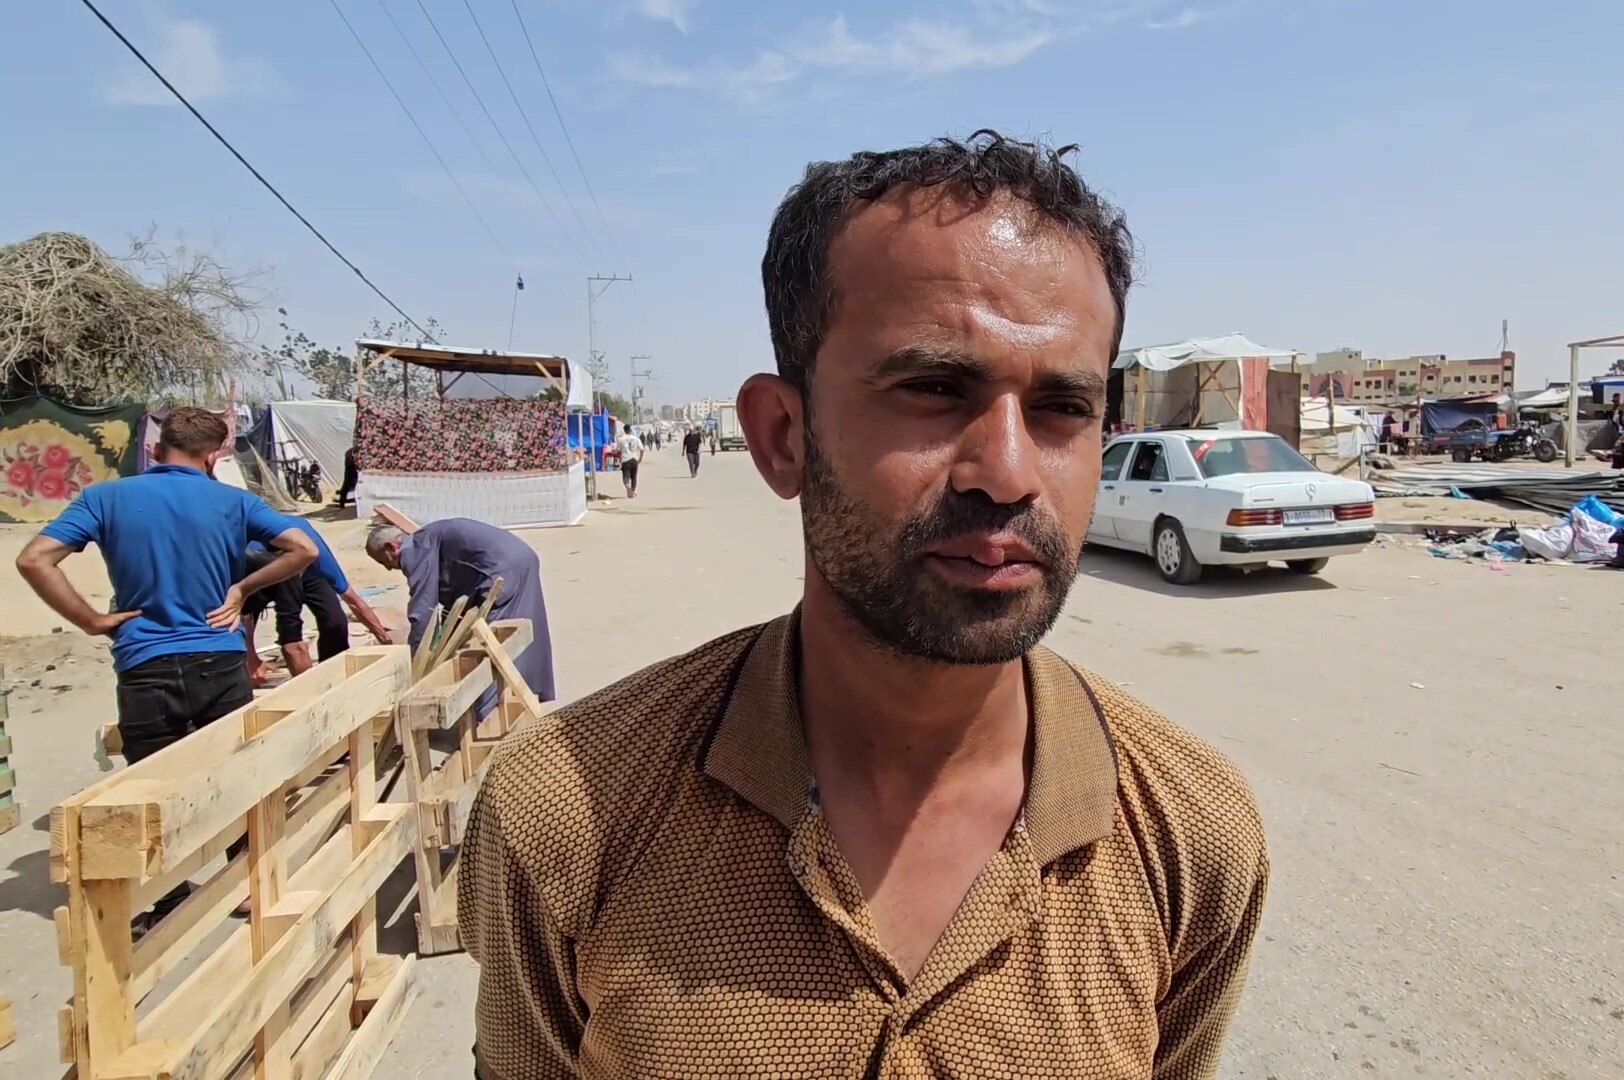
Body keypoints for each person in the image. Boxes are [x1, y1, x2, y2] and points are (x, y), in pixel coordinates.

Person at [459, 132, 1268, 1078]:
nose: (1008, 473)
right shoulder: (567, 815)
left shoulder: (1191, 835)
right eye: (931, 389)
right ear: (782, 435)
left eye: (1061, 410)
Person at [15, 407, 317, 921]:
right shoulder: (233, 501)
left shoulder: (105, 497)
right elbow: (302, 547)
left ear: (156, 449)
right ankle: (245, 886)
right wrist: (243, 589)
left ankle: (167, 895)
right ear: (214, 456)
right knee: (236, 772)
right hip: (218, 656)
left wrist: (90, 619)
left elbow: (33, 559)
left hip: (144, 660)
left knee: (152, 781)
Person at [366, 517, 555, 716]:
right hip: (520, 558)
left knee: (491, 648)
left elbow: (423, 611)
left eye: (383, 561)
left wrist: (415, 664)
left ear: (391, 547)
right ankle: (524, 698)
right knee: (520, 636)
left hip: (502, 571)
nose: (388, 568)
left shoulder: (414, 552)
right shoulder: (426, 538)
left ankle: (489, 716)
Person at [240, 518, 393, 683]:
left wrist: (385, 639)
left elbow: (354, 601)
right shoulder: (254, 555)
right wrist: (252, 659)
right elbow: (245, 613)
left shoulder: (317, 554)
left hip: (309, 571)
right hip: (269, 570)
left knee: (335, 621)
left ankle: (334, 670)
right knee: (287, 633)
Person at [615, 422, 645, 498]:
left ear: (624, 430)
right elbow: (642, 449)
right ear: (630, 430)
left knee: (625, 477)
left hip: (625, 460)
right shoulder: (636, 439)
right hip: (634, 459)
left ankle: (628, 488)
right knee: (634, 477)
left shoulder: (620, 439)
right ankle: (633, 492)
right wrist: (640, 459)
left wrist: (619, 459)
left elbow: (618, 451)